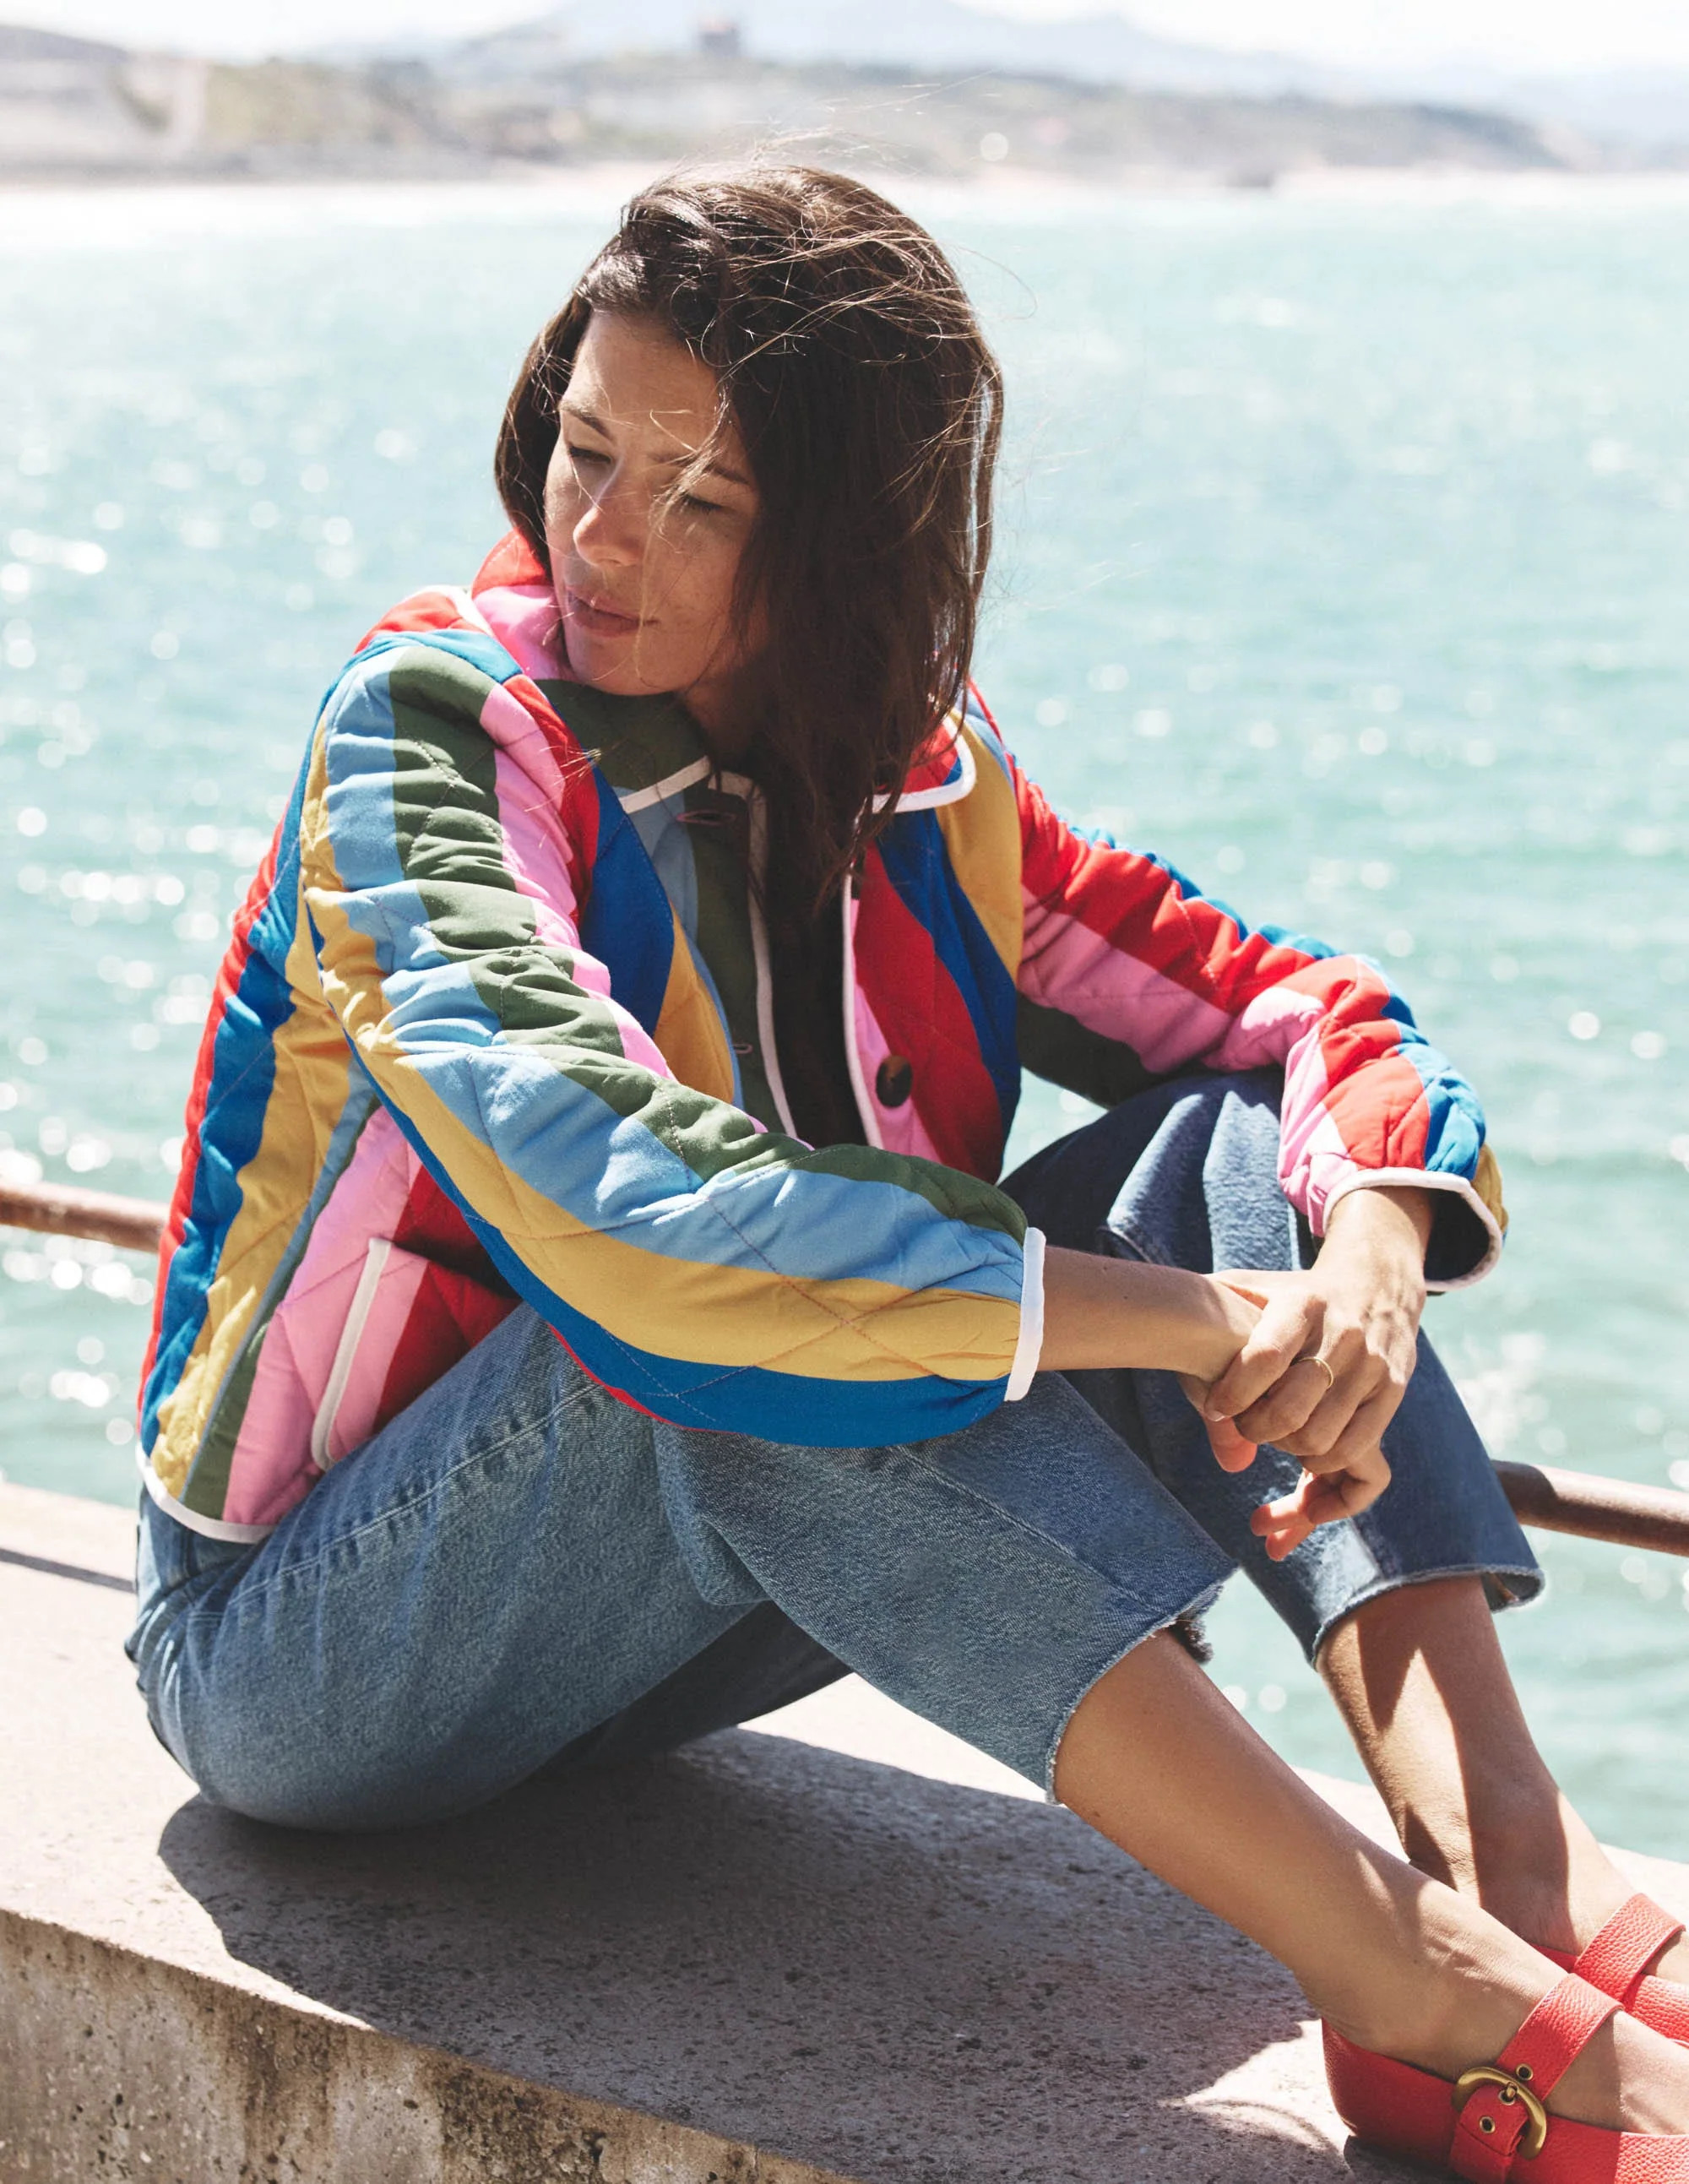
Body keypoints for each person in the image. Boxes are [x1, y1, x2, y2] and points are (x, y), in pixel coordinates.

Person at [128, 167, 1689, 2173]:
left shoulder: (917, 770)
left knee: (1226, 1150)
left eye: (701, 499)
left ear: (845, 537)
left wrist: (1370, 1254)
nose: (602, 537)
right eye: (585, 452)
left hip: (658, 1621)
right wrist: (1188, 1329)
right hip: (308, 1647)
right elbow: (634, 1221)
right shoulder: (435, 733)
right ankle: (1419, 1984)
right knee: (725, 1339)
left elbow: (1285, 1011)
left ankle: (1513, 1873)